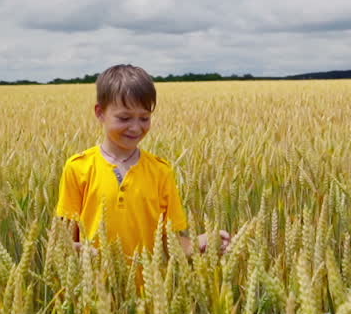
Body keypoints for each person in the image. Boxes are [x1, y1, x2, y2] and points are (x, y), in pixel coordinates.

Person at [54, 64, 231, 257]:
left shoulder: (161, 171)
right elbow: (64, 241)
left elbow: (170, 244)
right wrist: (75, 252)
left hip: (148, 286)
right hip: (93, 285)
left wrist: (202, 243)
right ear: (100, 113)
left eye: (144, 118)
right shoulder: (78, 167)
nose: (136, 128)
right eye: (124, 118)